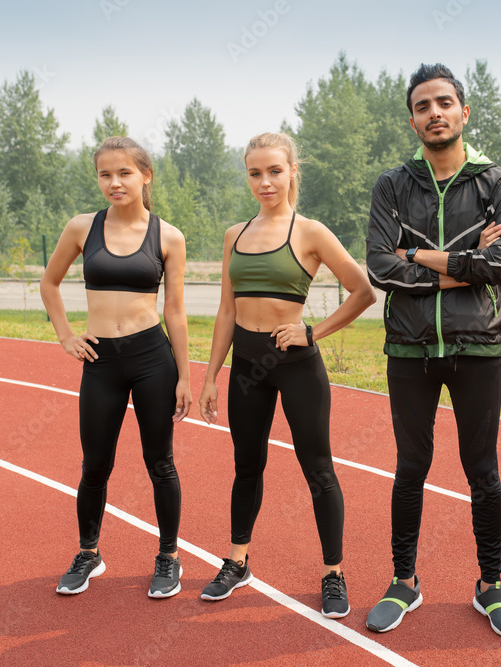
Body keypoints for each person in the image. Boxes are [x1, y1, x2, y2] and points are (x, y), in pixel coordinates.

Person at [364, 63, 501, 640]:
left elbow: (499, 265)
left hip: (478, 347)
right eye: (423, 105)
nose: (434, 112)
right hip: (409, 349)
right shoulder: (392, 185)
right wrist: (461, 268)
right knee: (411, 468)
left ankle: (490, 585)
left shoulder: (496, 182)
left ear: (462, 111)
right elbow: (380, 266)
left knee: (483, 470)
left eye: (444, 102)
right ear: (412, 120)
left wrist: (419, 255)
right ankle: (404, 580)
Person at [197, 132, 375, 619]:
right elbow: (225, 311)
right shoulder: (235, 234)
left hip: (296, 366)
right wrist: (211, 375)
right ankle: (238, 562)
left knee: (318, 469)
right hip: (246, 367)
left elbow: (363, 292)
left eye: (274, 171)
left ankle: (333, 572)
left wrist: (313, 331)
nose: (265, 182)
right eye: (255, 173)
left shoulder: (310, 231)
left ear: (293, 170)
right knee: (246, 466)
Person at [40, 136, 191, 598]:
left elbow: (176, 311)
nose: (114, 182)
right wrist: (66, 335)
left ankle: (168, 558)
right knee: (94, 465)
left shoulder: (168, 236)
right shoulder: (81, 227)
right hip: (101, 360)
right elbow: (49, 283)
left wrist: (185, 375)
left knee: (159, 462)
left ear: (145, 175)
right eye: (105, 174)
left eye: (124, 172)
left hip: (152, 359)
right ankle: (89, 554)